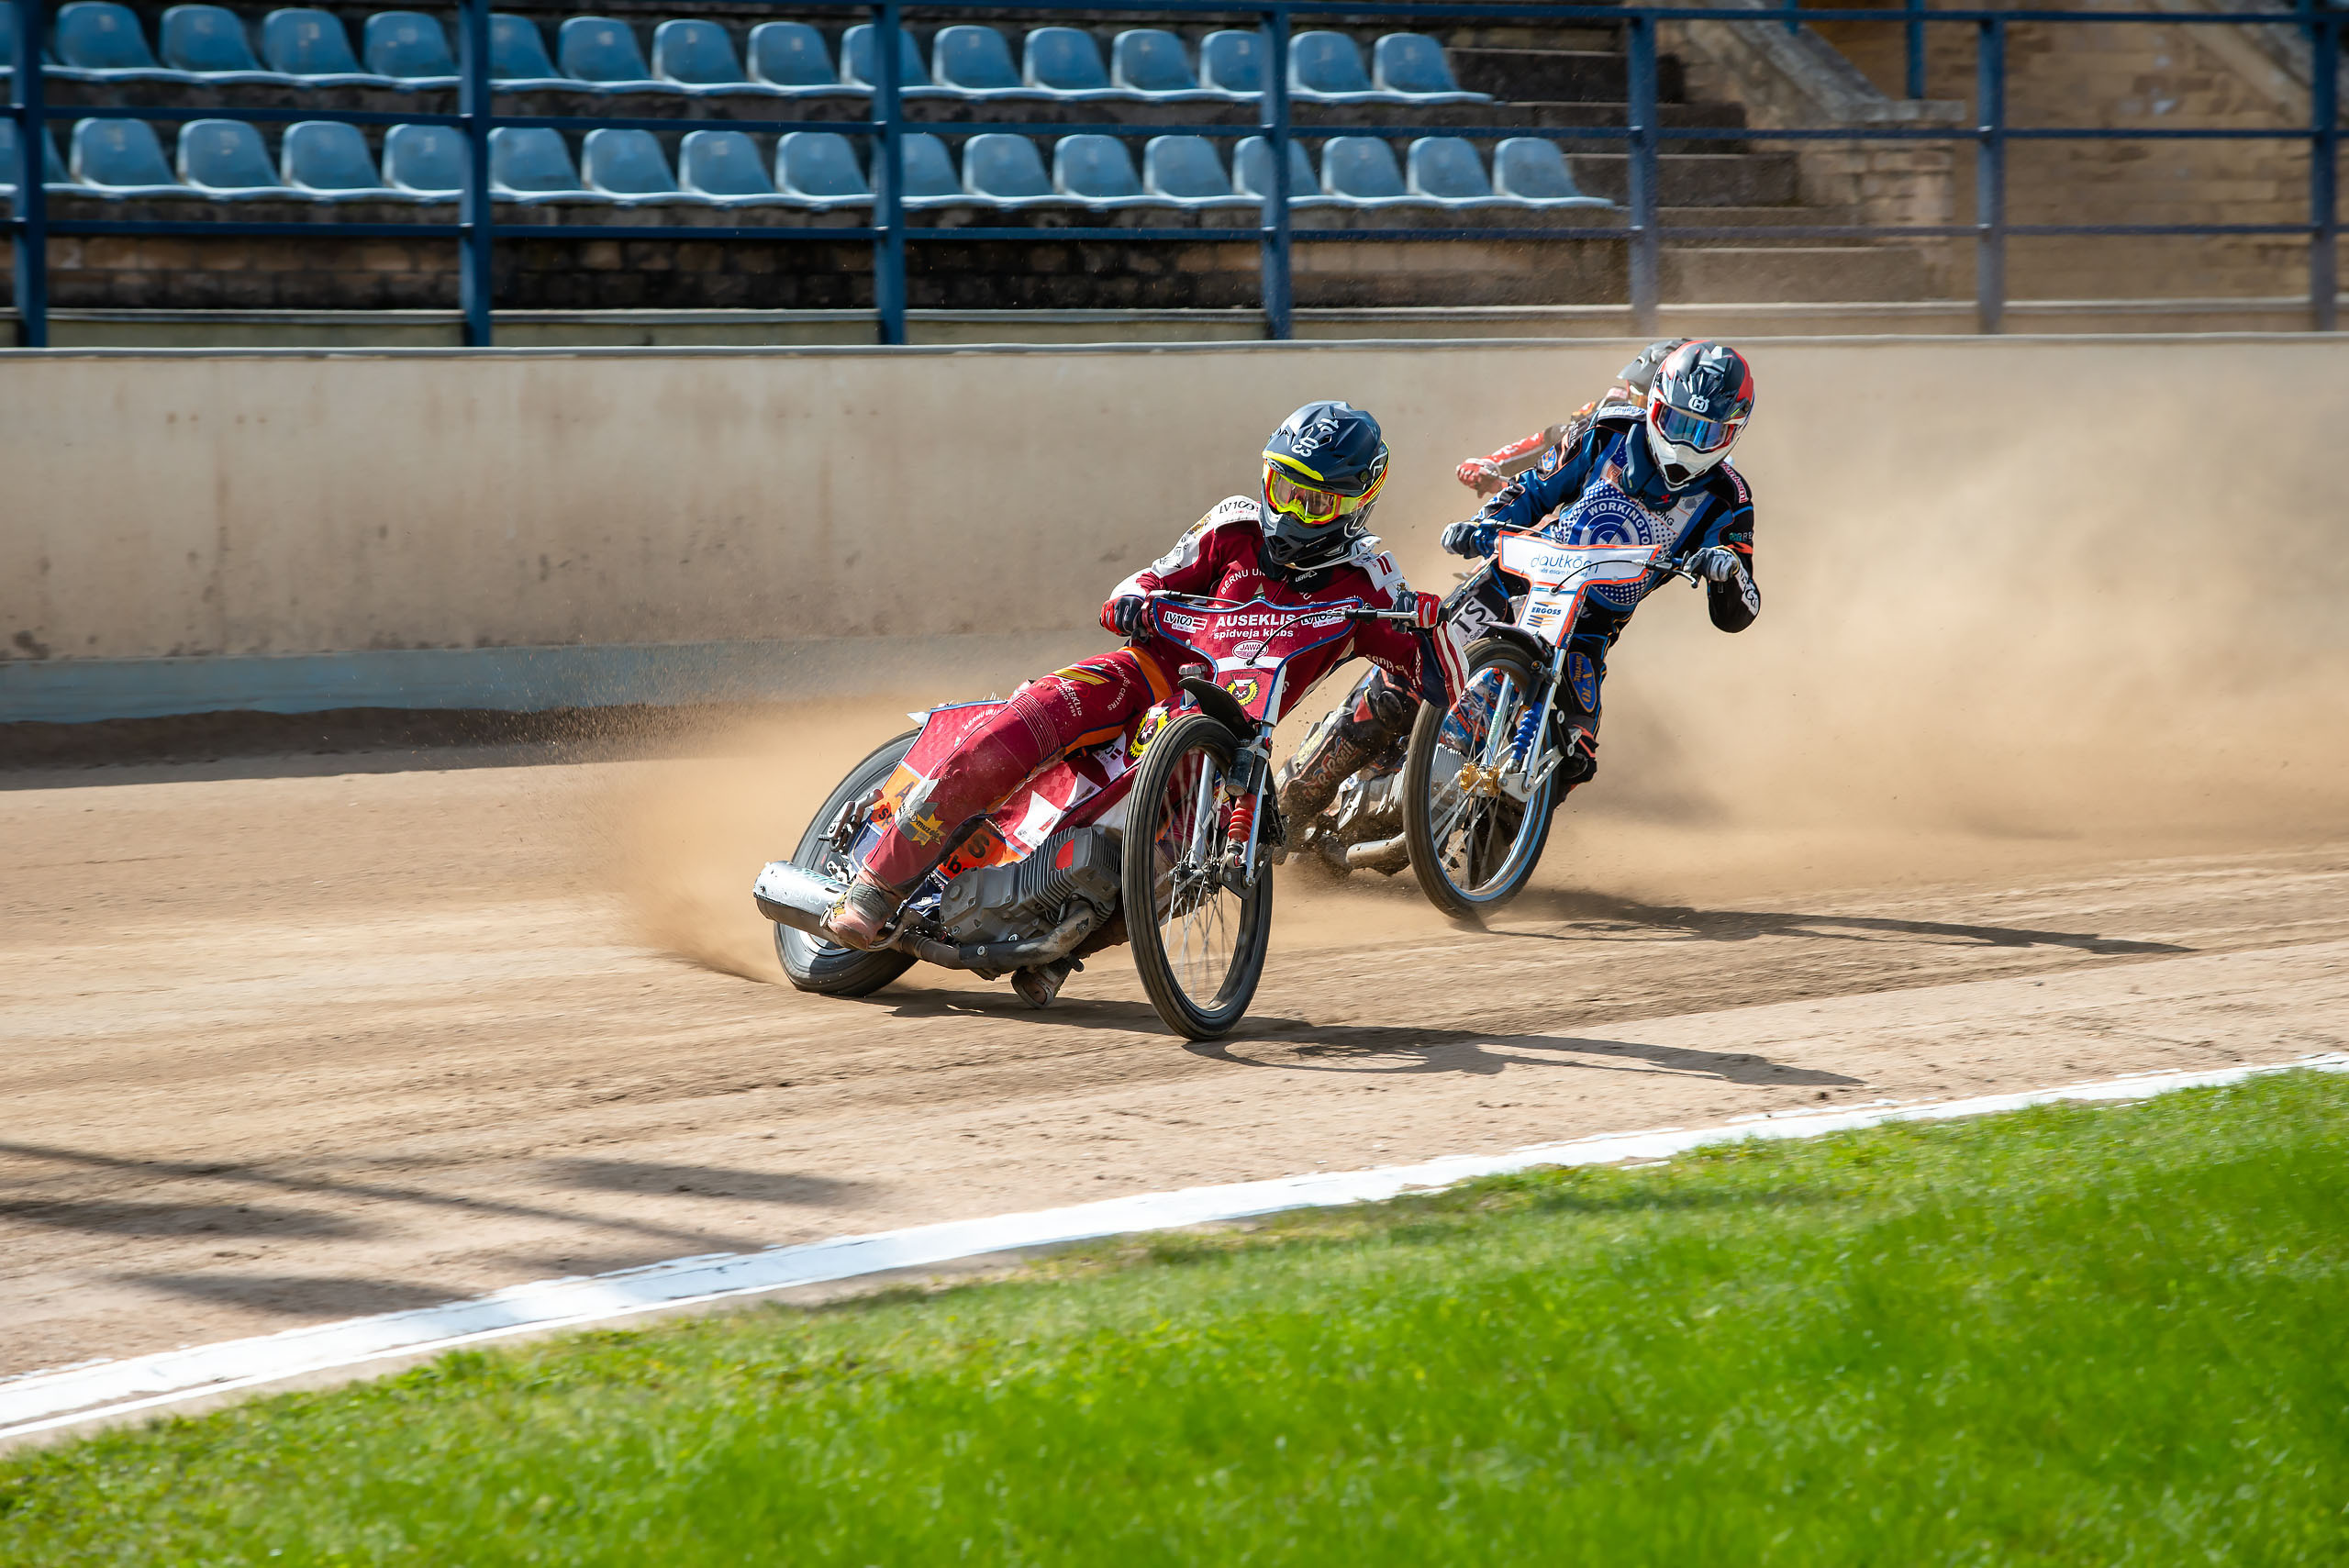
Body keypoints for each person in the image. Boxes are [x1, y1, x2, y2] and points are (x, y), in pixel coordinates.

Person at [819, 401, 1470, 1001]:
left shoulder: (1371, 577)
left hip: (1232, 739)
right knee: (1025, 725)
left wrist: (1431, 628)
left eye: (1316, 501)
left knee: (1192, 861)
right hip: (1143, 678)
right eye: (1285, 488)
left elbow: (1441, 684)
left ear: (1358, 502)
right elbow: (1142, 583)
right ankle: (878, 884)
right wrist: (1134, 597)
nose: (1294, 513)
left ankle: (1058, 946)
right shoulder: (1234, 524)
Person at [1275, 340, 1758, 833]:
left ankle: (1481, 856)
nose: (1686, 444)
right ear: (1654, 404)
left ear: (1733, 432)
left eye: (1705, 432)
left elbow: (1740, 610)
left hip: (1586, 630)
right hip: (1512, 583)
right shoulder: (1607, 431)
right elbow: (1535, 486)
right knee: (1405, 678)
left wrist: (1728, 572)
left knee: (1574, 752)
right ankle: (1291, 801)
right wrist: (1484, 525)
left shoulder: (1729, 500)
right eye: (1677, 423)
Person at [1452, 338, 1689, 500]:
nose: (1640, 411)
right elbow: (1554, 438)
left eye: (1649, 402)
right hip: (1575, 524)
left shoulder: (1704, 462)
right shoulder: (1609, 410)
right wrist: (1491, 464)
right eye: (1638, 396)